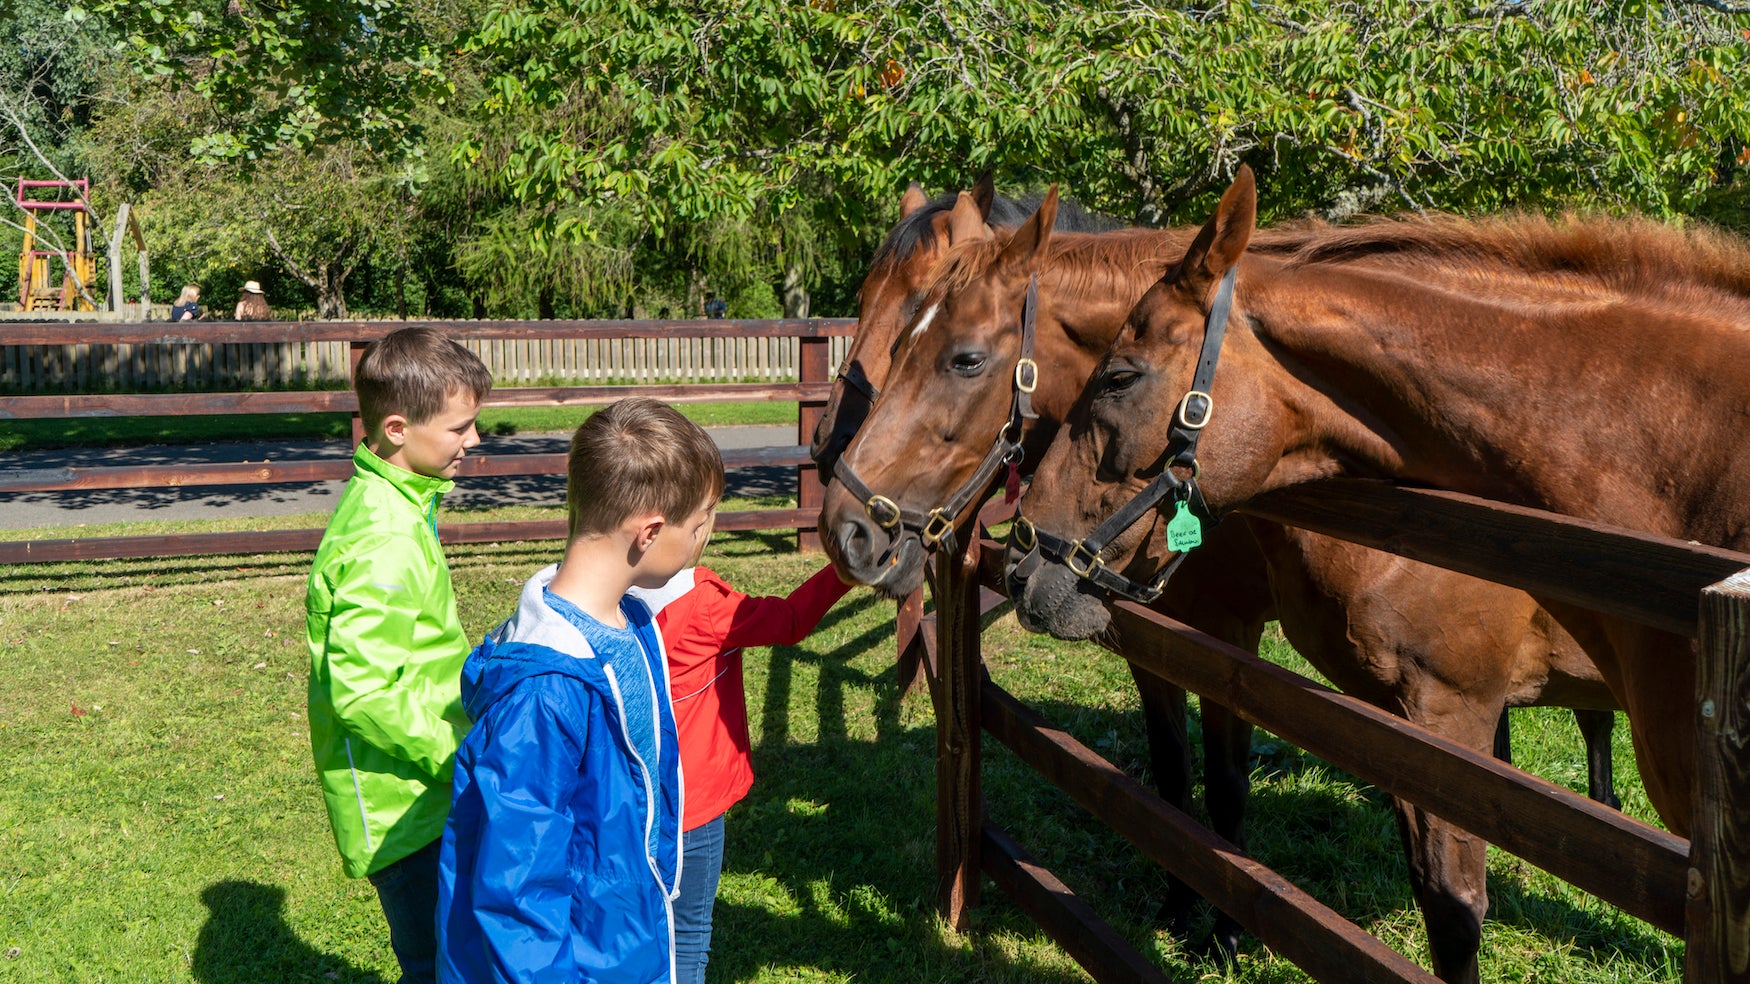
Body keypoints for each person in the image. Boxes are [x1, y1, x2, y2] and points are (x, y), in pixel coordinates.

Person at [437, 398, 722, 983]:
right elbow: (516, 892)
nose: (703, 544)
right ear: (648, 532)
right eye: (699, 527)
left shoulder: (631, 622)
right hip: (578, 961)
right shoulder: (545, 695)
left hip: (622, 935)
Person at [305, 326, 492, 984]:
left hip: (426, 790)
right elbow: (361, 695)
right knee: (440, 964)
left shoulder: (402, 506)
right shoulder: (383, 534)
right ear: (395, 429)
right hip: (405, 809)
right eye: (460, 428)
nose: (474, 441)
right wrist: (461, 758)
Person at [632, 533, 852, 984]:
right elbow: (790, 620)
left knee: (642, 925)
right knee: (689, 933)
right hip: (695, 809)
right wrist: (844, 572)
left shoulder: (610, 598)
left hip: (634, 802)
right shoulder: (705, 606)